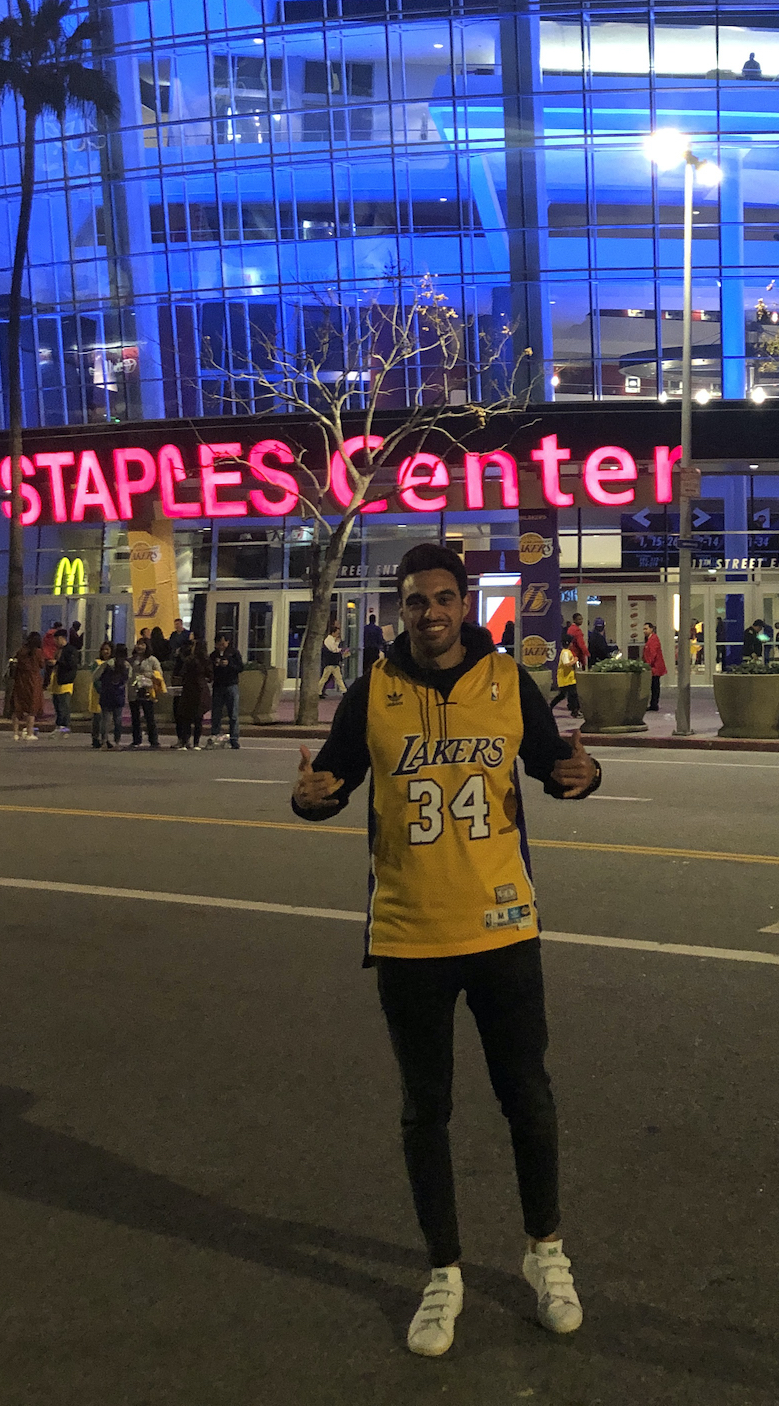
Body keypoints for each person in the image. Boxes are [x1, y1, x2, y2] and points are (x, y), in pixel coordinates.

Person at [290, 542, 601, 1360]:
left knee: (527, 1098)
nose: (428, 612)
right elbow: (331, 781)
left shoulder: (506, 681)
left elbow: (553, 765)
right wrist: (308, 799)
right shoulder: (374, 692)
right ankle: (444, 1272)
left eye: (441, 598)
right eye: (414, 600)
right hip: (409, 934)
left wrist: (585, 775)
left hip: (504, 927)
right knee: (425, 1110)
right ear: (399, 610)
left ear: (464, 604)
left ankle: (545, 1253)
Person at [173, 638, 212, 752]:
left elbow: (183, 673)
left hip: (189, 688)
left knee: (186, 717)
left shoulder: (190, 660)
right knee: (198, 718)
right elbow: (210, 675)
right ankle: (196, 743)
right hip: (200, 688)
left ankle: (185, 742)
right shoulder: (206, 660)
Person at [207, 632, 244, 749]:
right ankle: (215, 736)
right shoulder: (213, 655)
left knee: (233, 714)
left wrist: (229, 664)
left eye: (223, 643)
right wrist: (215, 665)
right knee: (216, 713)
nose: (221, 646)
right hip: (218, 686)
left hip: (231, 685)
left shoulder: (234, 653)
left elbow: (240, 668)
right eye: (219, 644)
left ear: (227, 642)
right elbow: (209, 670)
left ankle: (234, 739)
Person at [9, 632, 45, 743]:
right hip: (33, 680)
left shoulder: (21, 651)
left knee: (18, 707)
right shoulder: (38, 652)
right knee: (32, 708)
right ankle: (29, 733)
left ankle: (15, 733)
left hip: (20, 680)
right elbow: (42, 664)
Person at [128, 639, 162, 748]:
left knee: (149, 716)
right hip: (134, 690)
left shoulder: (152, 660)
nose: (139, 646)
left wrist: (148, 675)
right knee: (135, 717)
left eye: (142, 644)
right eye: (138, 644)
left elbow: (159, 673)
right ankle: (136, 740)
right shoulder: (131, 660)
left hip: (147, 690)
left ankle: (153, 740)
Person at [95, 647, 130, 750]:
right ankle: (117, 742)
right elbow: (129, 678)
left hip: (106, 693)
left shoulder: (107, 664)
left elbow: (95, 676)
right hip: (119, 694)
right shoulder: (126, 665)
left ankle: (104, 742)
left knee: (105, 719)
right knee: (118, 719)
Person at [48, 628, 75, 733]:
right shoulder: (57, 650)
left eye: (56, 639)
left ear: (61, 638)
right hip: (56, 681)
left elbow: (71, 665)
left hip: (65, 682)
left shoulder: (70, 650)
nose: (54, 642)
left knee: (64, 705)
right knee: (57, 705)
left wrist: (57, 662)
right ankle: (59, 725)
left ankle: (65, 726)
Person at [641, 622, 666, 711]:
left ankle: (654, 704)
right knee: (653, 686)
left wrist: (648, 664)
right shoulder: (649, 639)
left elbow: (652, 653)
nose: (644, 631)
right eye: (644, 629)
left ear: (651, 629)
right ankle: (653, 704)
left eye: (646, 629)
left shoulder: (654, 639)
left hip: (655, 667)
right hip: (653, 667)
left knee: (655, 686)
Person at [553, 641, 580, 717]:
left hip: (570, 678)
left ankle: (575, 711)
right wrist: (574, 660)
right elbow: (566, 664)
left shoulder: (568, 652)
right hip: (565, 678)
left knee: (573, 694)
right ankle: (550, 706)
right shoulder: (565, 652)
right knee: (562, 695)